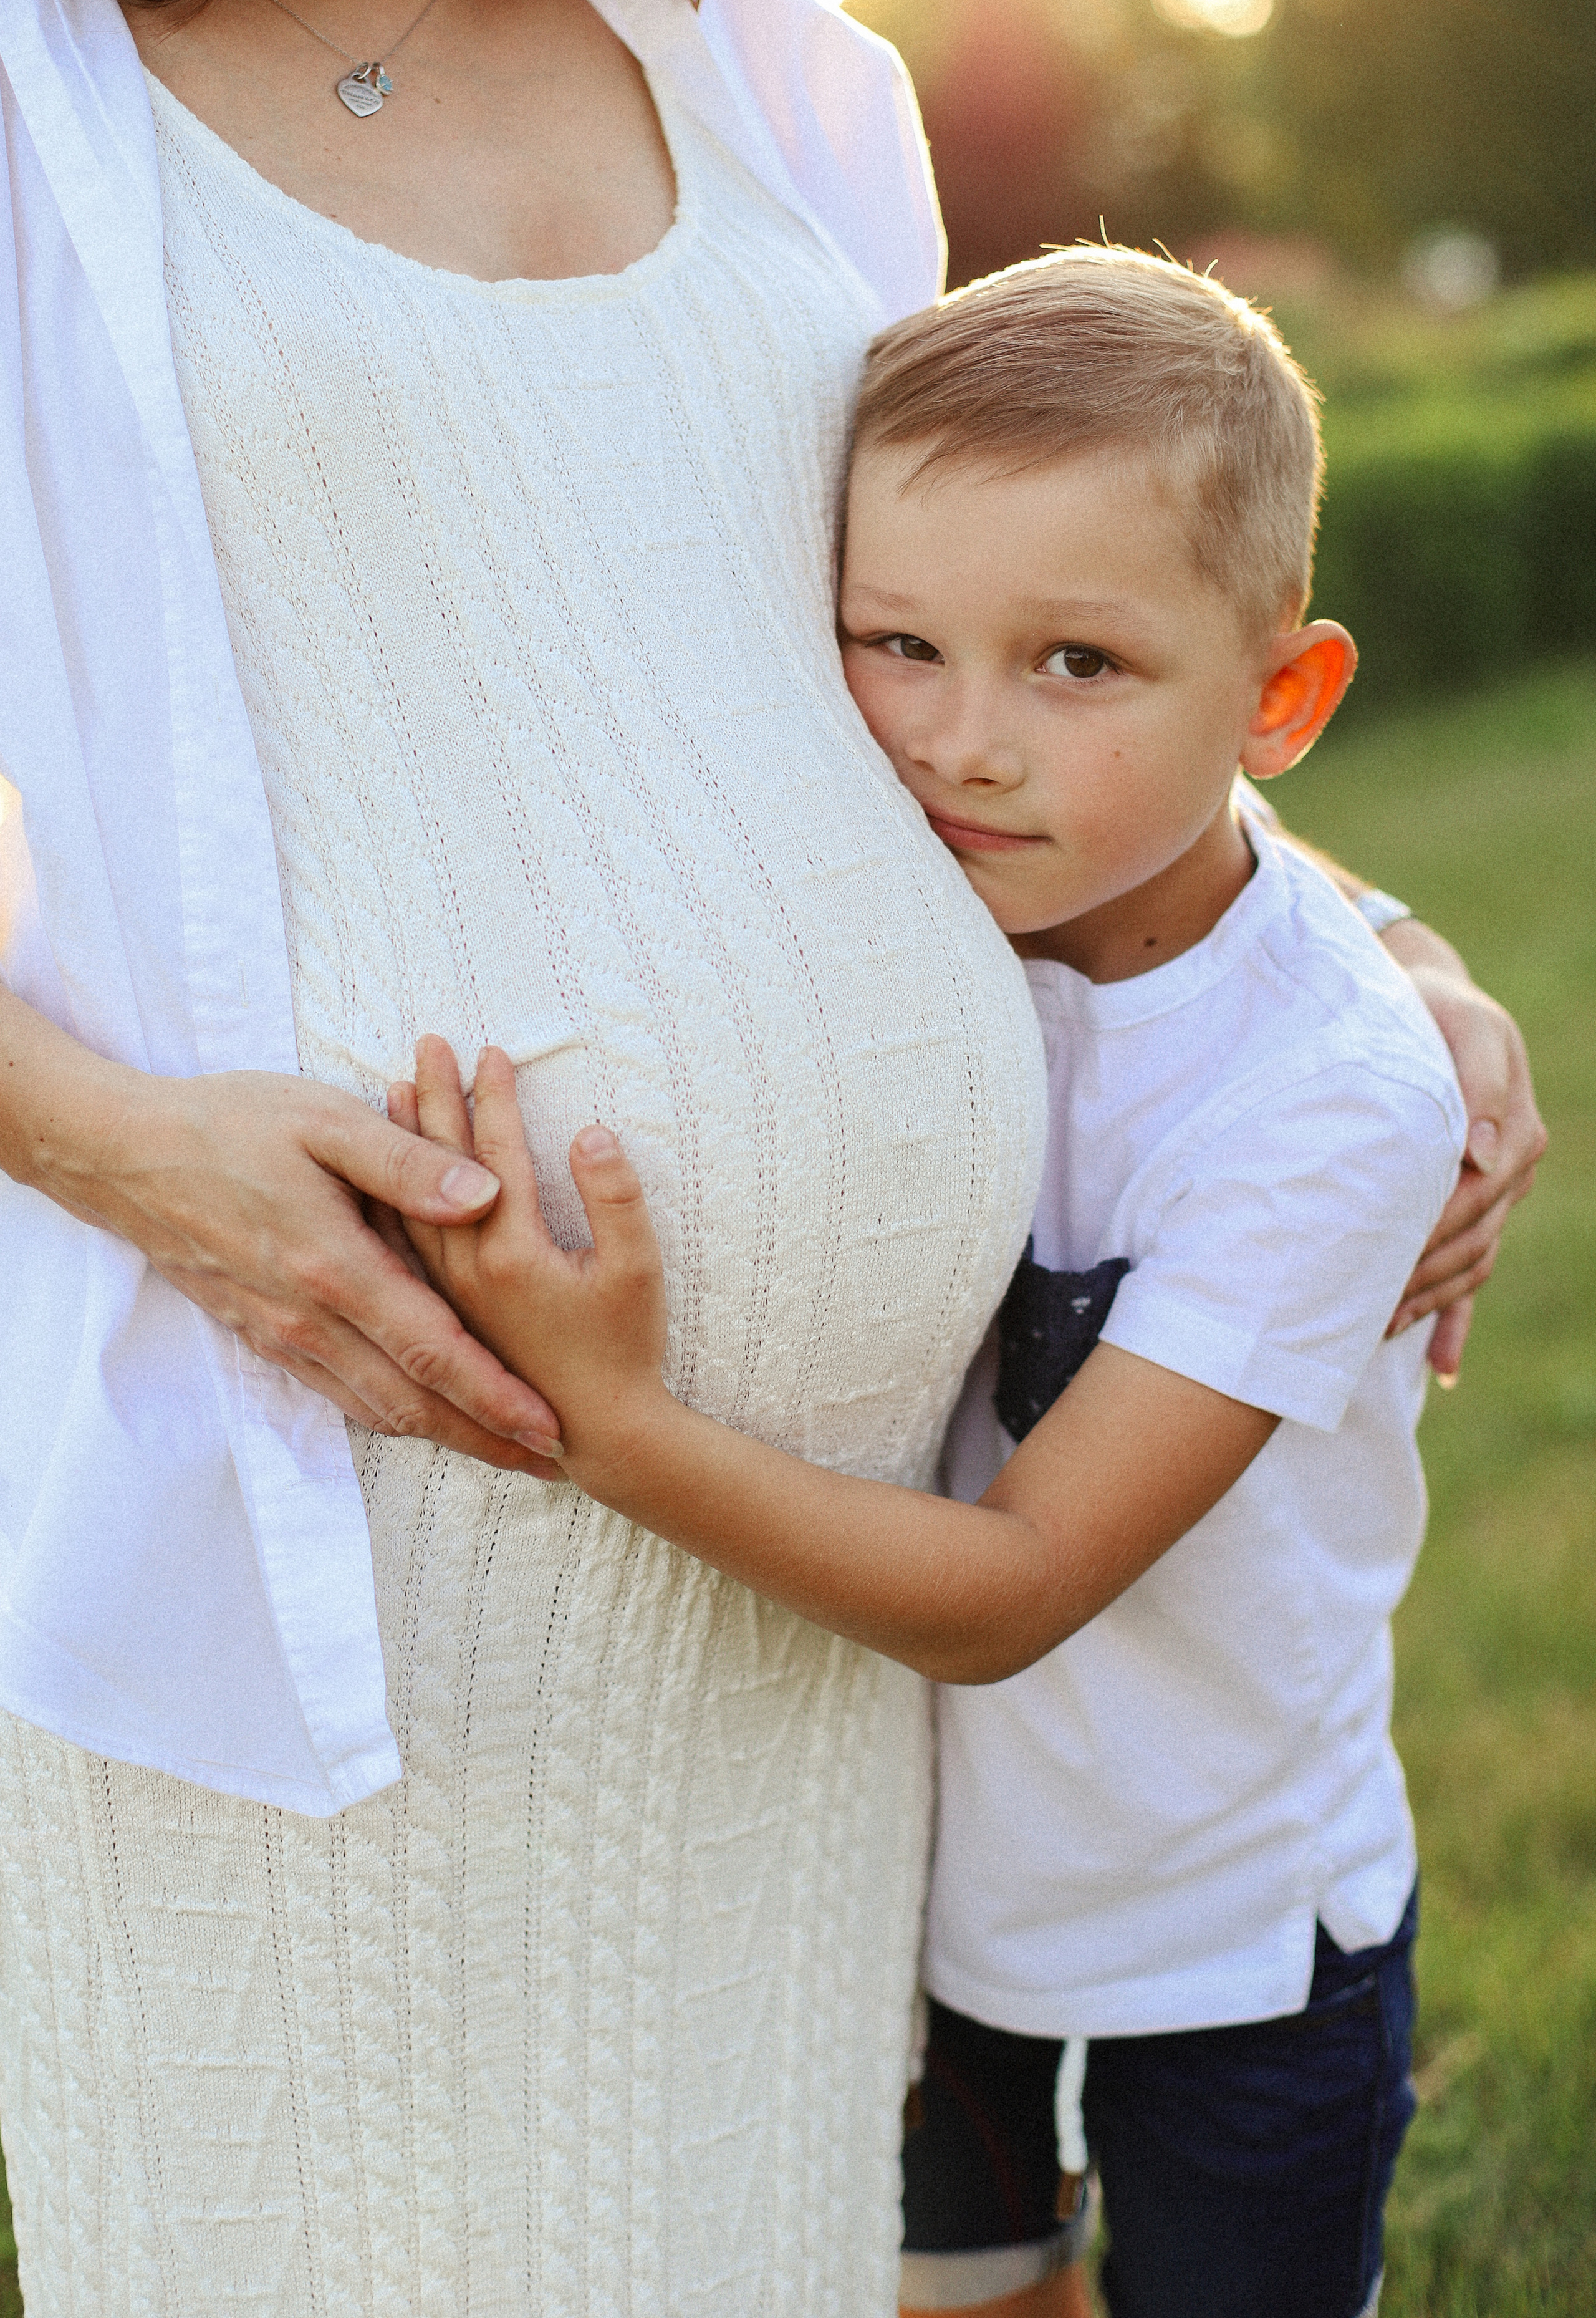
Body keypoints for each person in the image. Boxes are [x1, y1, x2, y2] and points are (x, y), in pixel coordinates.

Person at [0, 0, 1541, 2304]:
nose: (954, 714)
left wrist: (1383, 948)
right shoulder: (36, 73)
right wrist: (115, 1145)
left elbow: (1055, 640)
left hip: (826, 1716)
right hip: (333, 1572)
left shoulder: (761, 56)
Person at [382, 247, 1516, 2318]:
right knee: (961, 2289)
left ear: (1279, 701)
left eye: (1078, 663)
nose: (959, 744)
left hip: (1226, 1935)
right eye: (896, 643)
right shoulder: (908, 899)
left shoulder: (1331, 1100)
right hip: (922, 1899)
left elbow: (1015, 1591)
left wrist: (612, 1428)